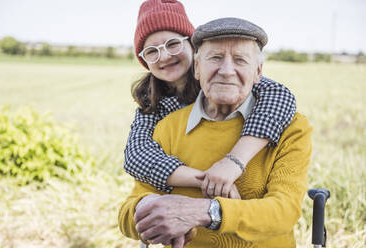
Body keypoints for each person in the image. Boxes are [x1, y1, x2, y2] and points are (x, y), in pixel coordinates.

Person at [119, 17, 312, 248]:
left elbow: (284, 212)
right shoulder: (164, 125)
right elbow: (128, 213)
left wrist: (206, 211)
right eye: (216, 58)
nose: (227, 71)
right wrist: (149, 209)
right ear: (197, 68)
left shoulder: (290, 127)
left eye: (240, 60)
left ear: (258, 71)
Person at [124, 0, 296, 199]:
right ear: (144, 60)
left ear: (192, 46)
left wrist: (233, 162)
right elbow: (136, 156)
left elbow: (280, 95)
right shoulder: (153, 105)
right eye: (151, 51)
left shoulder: (220, 80)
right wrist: (207, 179)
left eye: (172, 44)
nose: (163, 56)